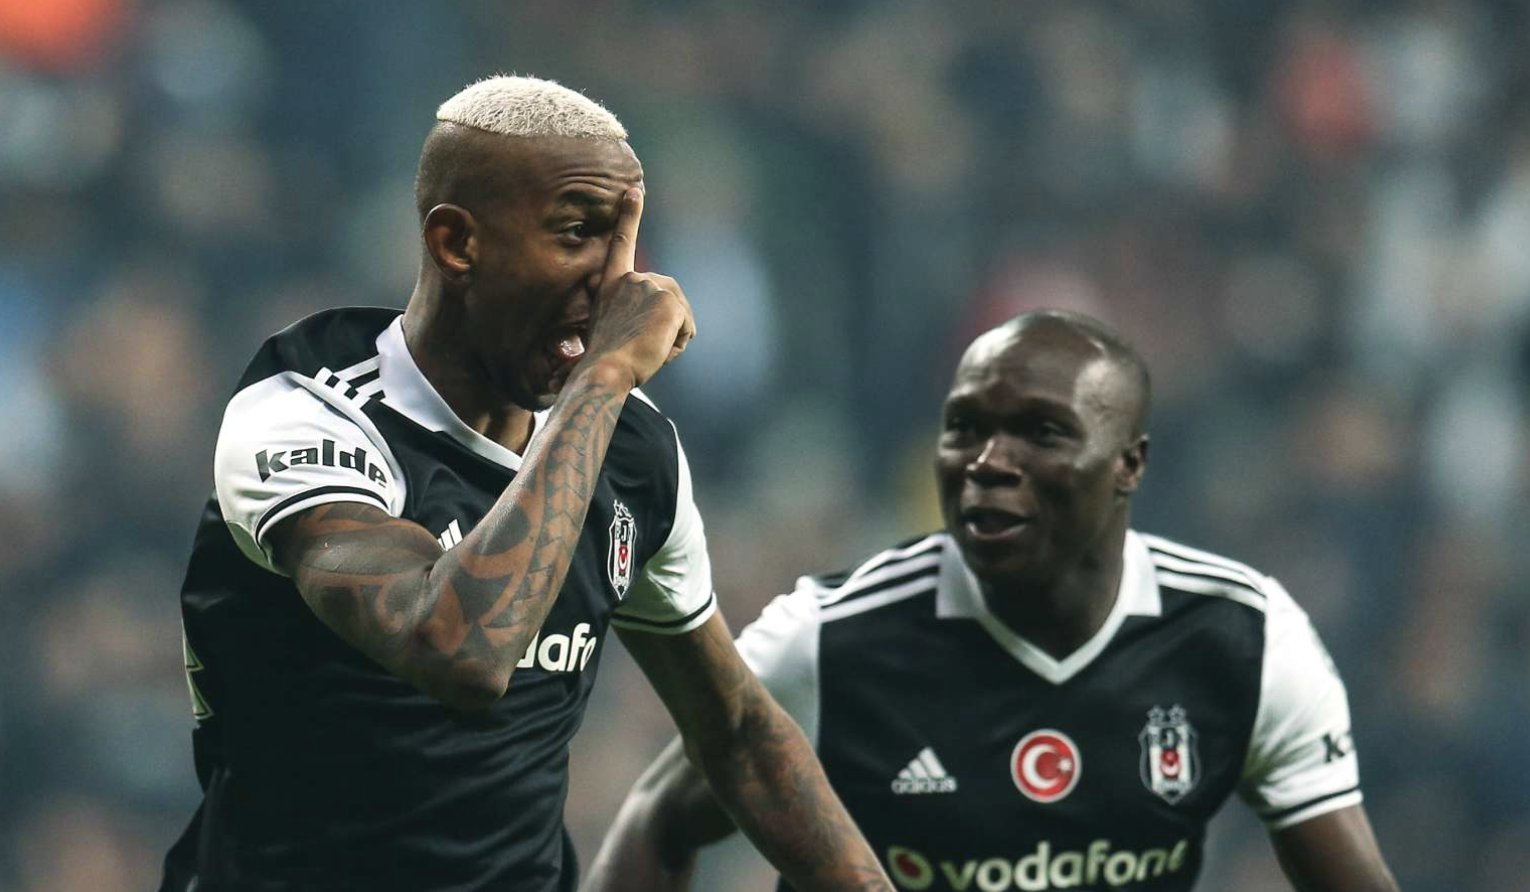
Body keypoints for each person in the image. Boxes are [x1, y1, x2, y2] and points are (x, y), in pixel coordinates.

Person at [160, 75, 891, 892]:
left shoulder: (630, 449)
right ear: (456, 244)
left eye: (627, 240)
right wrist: (602, 378)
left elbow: (739, 736)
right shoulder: (309, 413)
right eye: (578, 233)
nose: (619, 282)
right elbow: (459, 649)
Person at [585, 311, 1399, 892]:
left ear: (1129, 463)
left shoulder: (1242, 638)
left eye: (1042, 433)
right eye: (965, 428)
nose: (987, 462)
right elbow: (659, 819)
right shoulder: (830, 641)